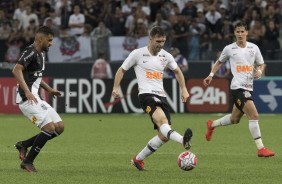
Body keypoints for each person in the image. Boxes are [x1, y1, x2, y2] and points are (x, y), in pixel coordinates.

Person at [112, 26, 193, 171]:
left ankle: (138, 159)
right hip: (146, 95)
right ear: (150, 39)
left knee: (164, 136)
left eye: (163, 41)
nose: (160, 44)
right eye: (158, 41)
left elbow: (178, 71)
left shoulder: (166, 56)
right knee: (162, 121)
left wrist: (184, 89)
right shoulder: (137, 54)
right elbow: (122, 69)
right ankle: (182, 140)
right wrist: (116, 87)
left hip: (161, 96)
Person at [203, 22, 275, 157]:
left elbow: (261, 64)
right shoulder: (229, 49)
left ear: (247, 33)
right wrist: (211, 75)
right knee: (254, 115)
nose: (240, 34)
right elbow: (219, 62)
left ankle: (212, 125)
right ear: (234, 33)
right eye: (238, 32)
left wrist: (259, 71)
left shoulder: (254, 48)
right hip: (237, 87)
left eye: (242, 32)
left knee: (234, 119)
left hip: (249, 87)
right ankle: (261, 149)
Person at [12, 26, 65, 172]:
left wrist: (50, 90)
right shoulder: (30, 52)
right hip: (26, 99)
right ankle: (28, 162)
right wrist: (27, 91)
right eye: (49, 40)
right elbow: (16, 69)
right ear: (40, 39)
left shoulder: (41, 53)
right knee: (49, 128)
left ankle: (23, 144)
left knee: (59, 127)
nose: (51, 43)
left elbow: (36, 76)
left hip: (37, 97)